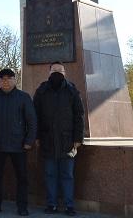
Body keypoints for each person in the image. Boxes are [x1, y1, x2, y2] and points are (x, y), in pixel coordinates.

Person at [0, 68, 37, 216]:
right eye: (2, 79)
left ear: (15, 80)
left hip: (19, 146)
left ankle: (22, 207)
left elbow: (32, 121)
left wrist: (29, 141)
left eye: (9, 78)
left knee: (22, 178)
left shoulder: (24, 97)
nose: (5, 81)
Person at [33, 62, 84, 216]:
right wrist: (36, 137)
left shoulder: (72, 91)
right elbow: (34, 116)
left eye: (60, 70)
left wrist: (78, 138)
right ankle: (51, 204)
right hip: (47, 140)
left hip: (67, 141)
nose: (57, 72)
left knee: (67, 175)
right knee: (50, 174)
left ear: (65, 73)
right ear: (49, 72)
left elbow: (78, 116)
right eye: (54, 70)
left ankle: (69, 206)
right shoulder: (41, 91)